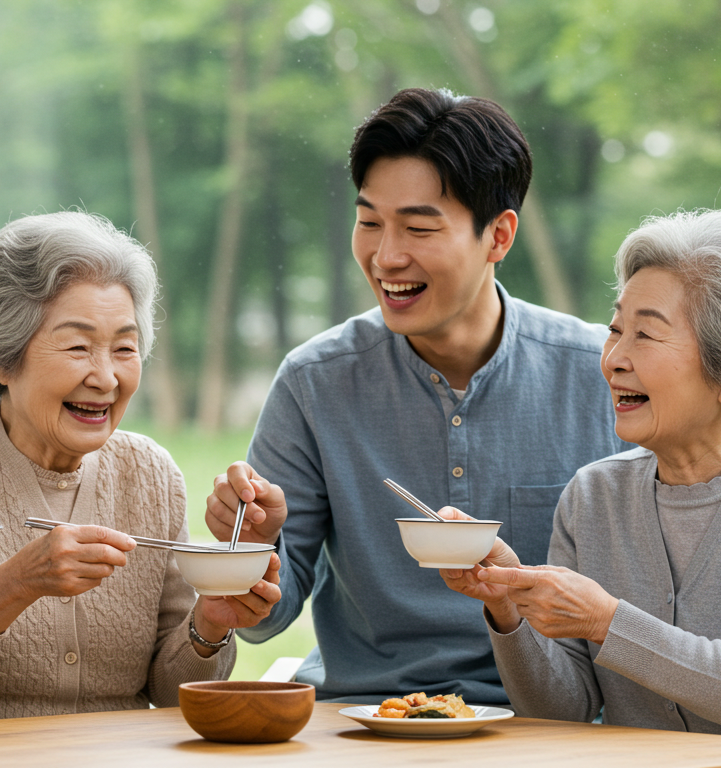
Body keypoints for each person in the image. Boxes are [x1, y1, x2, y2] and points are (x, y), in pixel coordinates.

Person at [203, 87, 626, 704]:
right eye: (369, 221)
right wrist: (251, 548)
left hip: (548, 723)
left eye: (419, 227)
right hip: (362, 718)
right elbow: (266, 616)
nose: (386, 255)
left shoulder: (602, 375)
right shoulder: (314, 380)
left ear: (499, 236)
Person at [442, 209, 721, 767]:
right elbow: (563, 710)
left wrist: (607, 621)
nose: (613, 359)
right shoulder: (592, 495)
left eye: (645, 334)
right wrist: (508, 608)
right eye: (615, 329)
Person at [0, 211, 280, 725]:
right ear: (4, 357)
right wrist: (16, 584)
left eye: (125, 348)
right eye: (78, 347)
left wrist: (211, 624)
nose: (105, 377)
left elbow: (174, 696)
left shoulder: (151, 473)